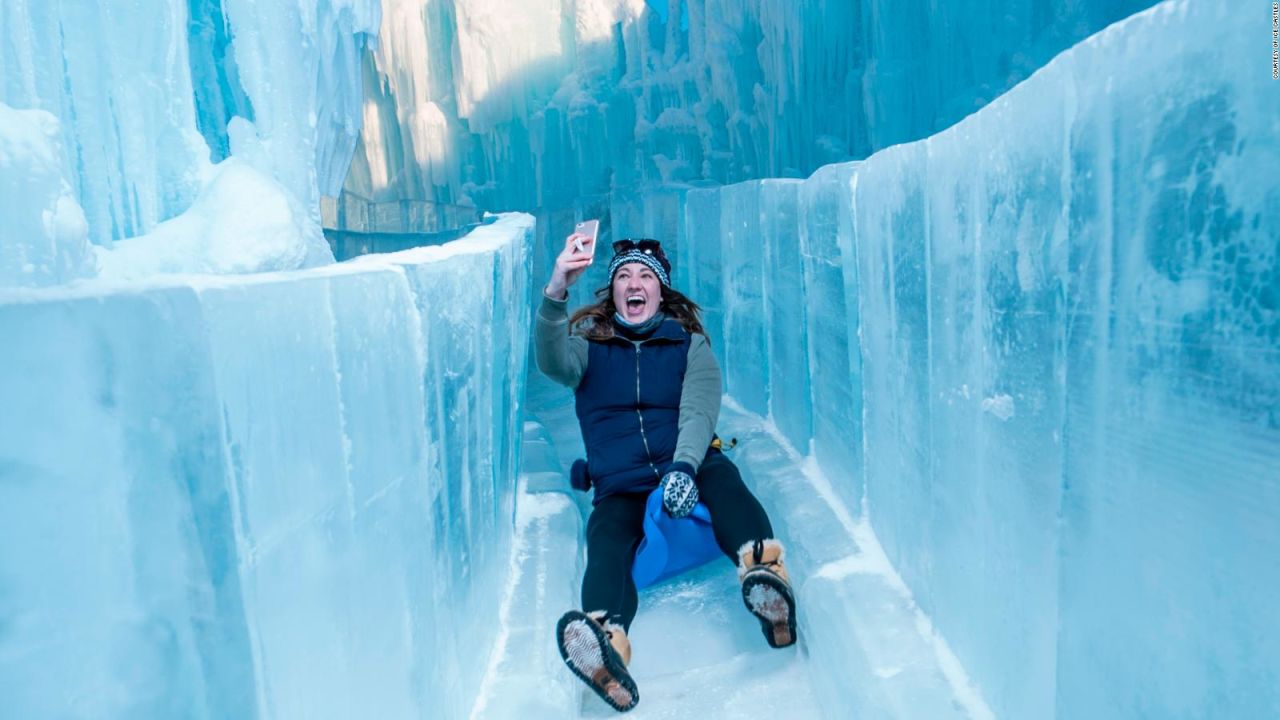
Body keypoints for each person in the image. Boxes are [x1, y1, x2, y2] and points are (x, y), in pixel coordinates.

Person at [535, 231, 798, 713]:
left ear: (661, 289)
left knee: (723, 479)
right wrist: (556, 288)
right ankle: (606, 642)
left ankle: (763, 572)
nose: (634, 283)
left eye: (645, 275)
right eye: (624, 276)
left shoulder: (688, 345)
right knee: (607, 535)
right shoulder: (588, 347)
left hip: (686, 464)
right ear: (613, 291)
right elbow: (550, 361)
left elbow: (699, 411)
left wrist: (684, 468)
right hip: (620, 485)